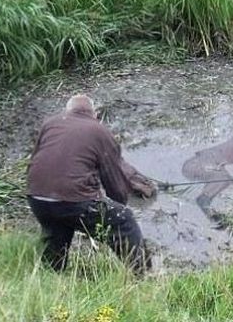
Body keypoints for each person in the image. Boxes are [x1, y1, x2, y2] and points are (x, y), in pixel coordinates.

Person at [27, 95, 150, 274]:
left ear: (68, 111)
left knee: (58, 230)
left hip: (36, 197)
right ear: (94, 114)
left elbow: (36, 160)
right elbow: (113, 180)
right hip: (72, 201)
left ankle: (51, 275)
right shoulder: (99, 131)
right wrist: (118, 206)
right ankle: (142, 276)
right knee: (125, 222)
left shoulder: (50, 124)